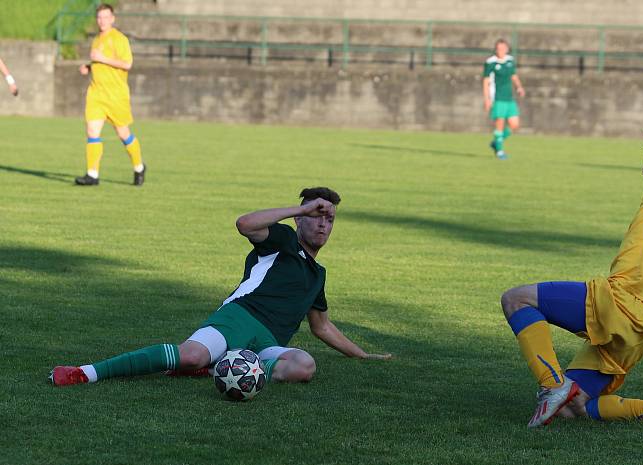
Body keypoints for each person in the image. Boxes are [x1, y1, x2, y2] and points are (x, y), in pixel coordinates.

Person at [500, 68, 643, 428]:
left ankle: (552, 385)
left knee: (515, 299)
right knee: (577, 406)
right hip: (641, 328)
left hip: (620, 303)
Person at [50, 187, 391, 387]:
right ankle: (86, 373)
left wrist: (362, 354)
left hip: (267, 343)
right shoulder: (283, 239)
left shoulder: (318, 274)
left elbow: (323, 326)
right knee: (190, 353)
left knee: (304, 366)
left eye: (328, 218)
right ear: (300, 219)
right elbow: (245, 224)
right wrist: (299, 208)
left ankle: (218, 366)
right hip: (238, 318)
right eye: (316, 215)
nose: (322, 224)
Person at [75, 3, 146, 186]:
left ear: (112, 19)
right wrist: (89, 66)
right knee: (92, 131)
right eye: (99, 17)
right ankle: (92, 175)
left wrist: (101, 59)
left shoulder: (119, 39)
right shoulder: (97, 39)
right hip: (96, 94)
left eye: (106, 17)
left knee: (124, 134)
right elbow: (100, 63)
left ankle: (139, 167)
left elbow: (127, 64)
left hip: (116, 96)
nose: (102, 21)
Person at [483, 39, 525, 160]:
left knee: (514, 124)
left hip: (509, 98)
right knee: (499, 125)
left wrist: (519, 87)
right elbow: (486, 81)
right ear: (495, 49)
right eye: (498, 48)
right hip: (497, 98)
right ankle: (499, 151)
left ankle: (496, 142)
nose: (501, 51)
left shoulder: (510, 60)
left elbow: (513, 75)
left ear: (507, 49)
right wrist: (487, 99)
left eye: (503, 48)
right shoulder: (490, 62)